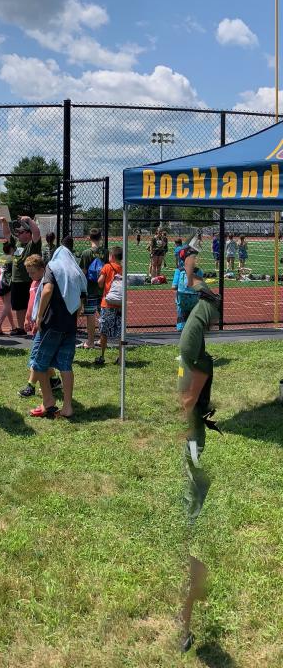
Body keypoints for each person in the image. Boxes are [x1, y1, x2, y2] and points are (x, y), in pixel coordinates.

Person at [176, 279, 222, 653]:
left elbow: (190, 396)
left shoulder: (197, 357)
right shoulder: (193, 354)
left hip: (193, 434)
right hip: (191, 433)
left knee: (194, 478)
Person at [28, 248, 83, 419]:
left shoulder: (53, 267)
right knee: (65, 365)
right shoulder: (77, 272)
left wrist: (39, 316)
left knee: (40, 363)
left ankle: (48, 402)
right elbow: (82, 302)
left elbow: (47, 290)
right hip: (70, 326)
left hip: (52, 323)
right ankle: (67, 407)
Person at [0, 215, 42, 336]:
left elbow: (37, 232)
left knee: (32, 304)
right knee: (18, 306)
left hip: (28, 280)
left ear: (28, 234)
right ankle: (21, 328)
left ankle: (34, 326)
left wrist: (29, 220)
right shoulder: (17, 243)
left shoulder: (33, 244)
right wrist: (3, 222)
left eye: (21, 232)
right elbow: (7, 234)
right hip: (16, 280)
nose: (18, 234)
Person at [77, 228, 107, 349]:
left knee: (90, 314)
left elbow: (83, 271)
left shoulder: (86, 253)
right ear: (100, 238)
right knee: (103, 314)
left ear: (89, 238)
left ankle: (90, 341)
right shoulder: (105, 252)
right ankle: (102, 339)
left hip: (90, 288)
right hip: (102, 288)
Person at [93, 246, 123, 367]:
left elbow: (100, 283)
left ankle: (102, 355)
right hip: (120, 304)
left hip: (107, 303)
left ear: (112, 256)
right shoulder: (122, 268)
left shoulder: (107, 267)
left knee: (104, 330)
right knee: (120, 331)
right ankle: (121, 357)